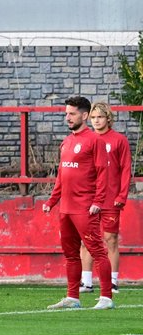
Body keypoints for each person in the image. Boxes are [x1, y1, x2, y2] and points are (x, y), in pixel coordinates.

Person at [43, 96, 114, 310]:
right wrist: (52, 201)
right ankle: (73, 298)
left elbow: (104, 173)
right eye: (66, 113)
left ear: (84, 115)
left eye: (72, 114)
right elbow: (61, 177)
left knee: (97, 251)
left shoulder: (95, 141)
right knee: (71, 254)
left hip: (85, 207)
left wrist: (98, 201)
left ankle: (106, 298)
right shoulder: (66, 142)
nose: (68, 117)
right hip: (66, 208)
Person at [78, 101, 130, 295]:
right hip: (88, 199)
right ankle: (86, 282)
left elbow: (125, 170)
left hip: (110, 198)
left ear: (108, 118)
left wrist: (121, 195)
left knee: (111, 239)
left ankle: (113, 282)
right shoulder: (85, 139)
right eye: (93, 117)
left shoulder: (119, 140)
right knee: (86, 240)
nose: (96, 120)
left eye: (100, 116)